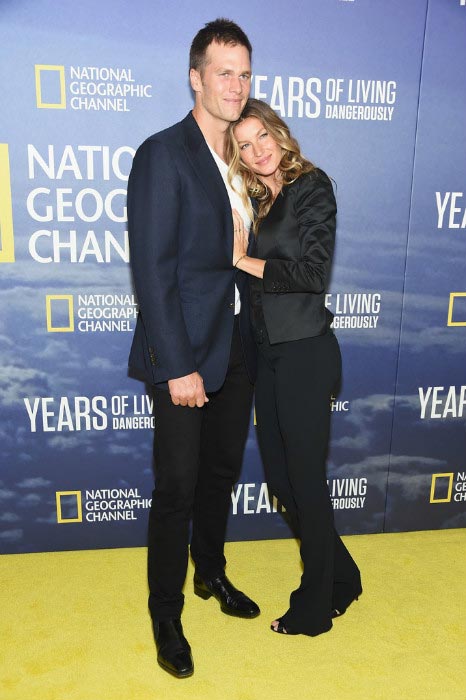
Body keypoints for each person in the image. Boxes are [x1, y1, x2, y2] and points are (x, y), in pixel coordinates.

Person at [127, 20, 259, 678]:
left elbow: (235, 258)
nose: (235, 85)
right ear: (195, 77)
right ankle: (165, 614)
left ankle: (210, 575)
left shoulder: (237, 157)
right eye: (223, 72)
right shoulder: (164, 153)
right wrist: (177, 365)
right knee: (176, 489)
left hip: (235, 345)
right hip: (183, 352)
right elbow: (151, 271)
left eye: (244, 73)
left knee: (220, 476)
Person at [227, 98, 362, 637]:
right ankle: (344, 575)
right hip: (269, 356)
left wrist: (242, 260)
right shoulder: (257, 200)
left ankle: (314, 607)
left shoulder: (312, 187)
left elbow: (309, 272)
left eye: (262, 136)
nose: (257, 150)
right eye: (244, 144)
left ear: (279, 134)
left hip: (306, 353)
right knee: (284, 479)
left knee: (305, 480)